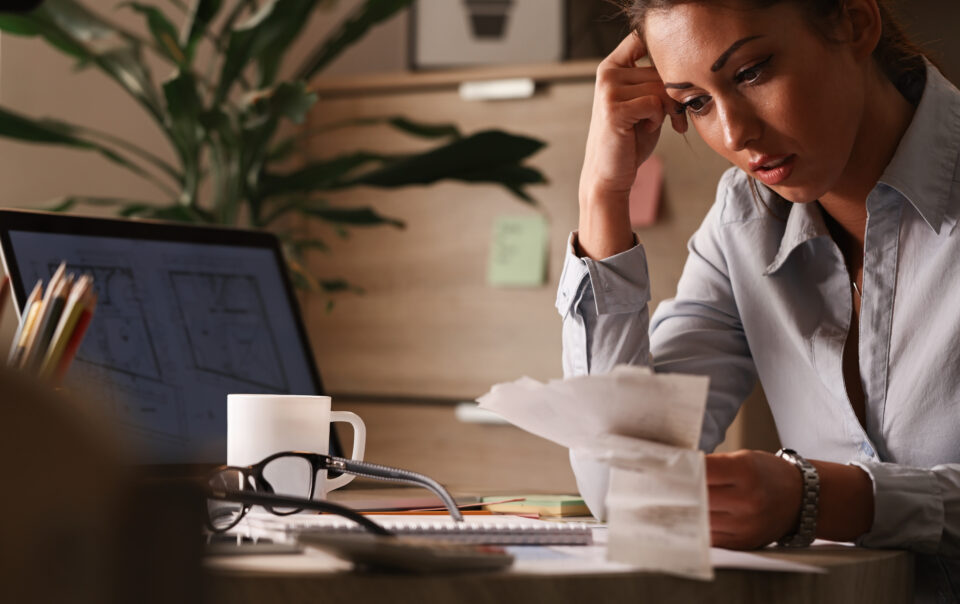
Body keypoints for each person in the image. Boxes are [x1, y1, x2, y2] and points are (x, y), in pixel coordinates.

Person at [556, 0, 959, 599]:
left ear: (854, 21)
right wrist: (602, 195)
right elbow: (626, 485)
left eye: (751, 72)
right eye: (694, 102)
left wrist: (820, 498)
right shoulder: (743, 222)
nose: (734, 133)